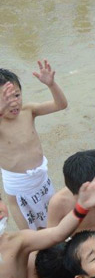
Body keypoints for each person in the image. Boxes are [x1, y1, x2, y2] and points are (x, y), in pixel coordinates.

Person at [0, 63, 67, 229]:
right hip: (18, 189)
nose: (13, 103)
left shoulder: (28, 111)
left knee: (54, 226)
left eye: (16, 95)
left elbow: (61, 105)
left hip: (42, 180)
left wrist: (51, 84)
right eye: (6, 99)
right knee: (31, 237)